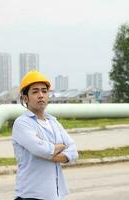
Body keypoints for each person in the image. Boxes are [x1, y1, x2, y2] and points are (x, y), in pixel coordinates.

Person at [12, 70, 78, 200]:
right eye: (35, 91)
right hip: (31, 195)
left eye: (44, 91)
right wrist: (61, 147)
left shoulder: (53, 122)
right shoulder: (22, 123)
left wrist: (50, 152)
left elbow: (74, 151)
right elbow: (40, 149)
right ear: (25, 98)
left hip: (54, 194)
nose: (41, 95)